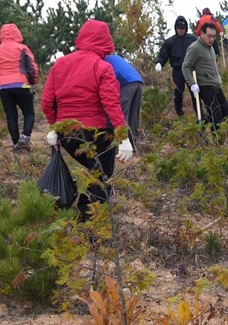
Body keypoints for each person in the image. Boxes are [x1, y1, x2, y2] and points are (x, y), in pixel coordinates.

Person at [41, 19, 133, 220]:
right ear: (106, 42)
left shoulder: (60, 64)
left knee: (95, 170)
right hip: (96, 134)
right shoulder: (102, 67)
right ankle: (88, 221)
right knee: (101, 173)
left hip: (67, 135)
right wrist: (124, 138)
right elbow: (111, 105)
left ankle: (81, 200)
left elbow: (47, 101)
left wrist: (54, 127)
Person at [182, 23, 228, 127]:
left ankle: (203, 125)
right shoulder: (194, 48)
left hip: (215, 84)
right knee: (216, 113)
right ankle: (216, 139)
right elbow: (185, 67)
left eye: (213, 36)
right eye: (209, 36)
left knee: (225, 111)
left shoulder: (210, 47)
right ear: (202, 34)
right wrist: (192, 84)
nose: (211, 39)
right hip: (205, 85)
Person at [0, 23, 39, 152]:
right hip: (20, 84)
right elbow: (31, 68)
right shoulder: (22, 48)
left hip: (3, 87)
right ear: (17, 33)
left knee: (11, 115)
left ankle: (16, 145)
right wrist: (33, 81)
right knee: (28, 112)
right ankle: (25, 137)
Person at [155, 16, 197, 116]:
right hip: (177, 70)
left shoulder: (192, 39)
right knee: (178, 93)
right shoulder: (170, 42)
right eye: (179, 28)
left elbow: (199, 51)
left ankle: (199, 114)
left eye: (182, 28)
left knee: (195, 93)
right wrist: (159, 62)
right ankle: (179, 114)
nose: (181, 31)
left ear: (186, 28)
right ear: (175, 28)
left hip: (191, 69)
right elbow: (163, 54)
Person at [104, 54, 144, 148]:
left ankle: (122, 145)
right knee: (133, 115)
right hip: (137, 81)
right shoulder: (112, 57)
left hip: (126, 82)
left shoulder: (102, 60)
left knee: (121, 115)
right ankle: (133, 146)